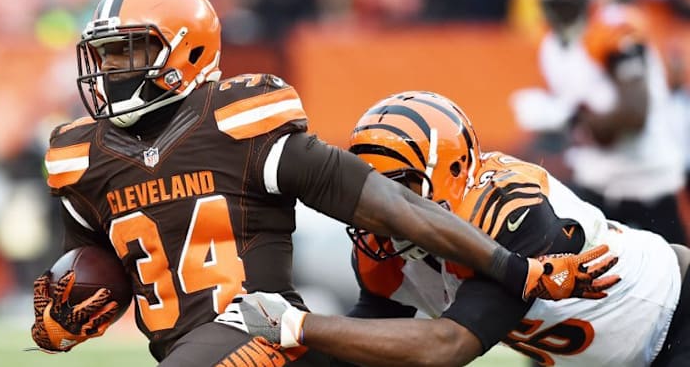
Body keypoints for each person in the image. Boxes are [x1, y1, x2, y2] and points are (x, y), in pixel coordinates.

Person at [29, 0, 619, 367]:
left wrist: (514, 271)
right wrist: (68, 313)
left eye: (123, 52)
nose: (107, 70)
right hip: (184, 346)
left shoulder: (242, 122)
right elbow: (96, 264)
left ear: (183, 51)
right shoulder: (79, 158)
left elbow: (398, 206)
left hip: (254, 332)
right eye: (102, 54)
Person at [218, 91, 690, 367]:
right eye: (370, 191)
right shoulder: (382, 247)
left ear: (453, 169)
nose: (382, 208)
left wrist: (297, 325)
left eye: (400, 186)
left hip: (676, 313)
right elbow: (368, 340)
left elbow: (446, 347)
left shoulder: (511, 211)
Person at [510, 0, 687, 244]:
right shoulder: (551, 45)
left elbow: (634, 115)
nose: (559, 6)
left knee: (676, 272)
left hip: (647, 178)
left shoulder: (614, 29)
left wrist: (568, 118)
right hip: (597, 179)